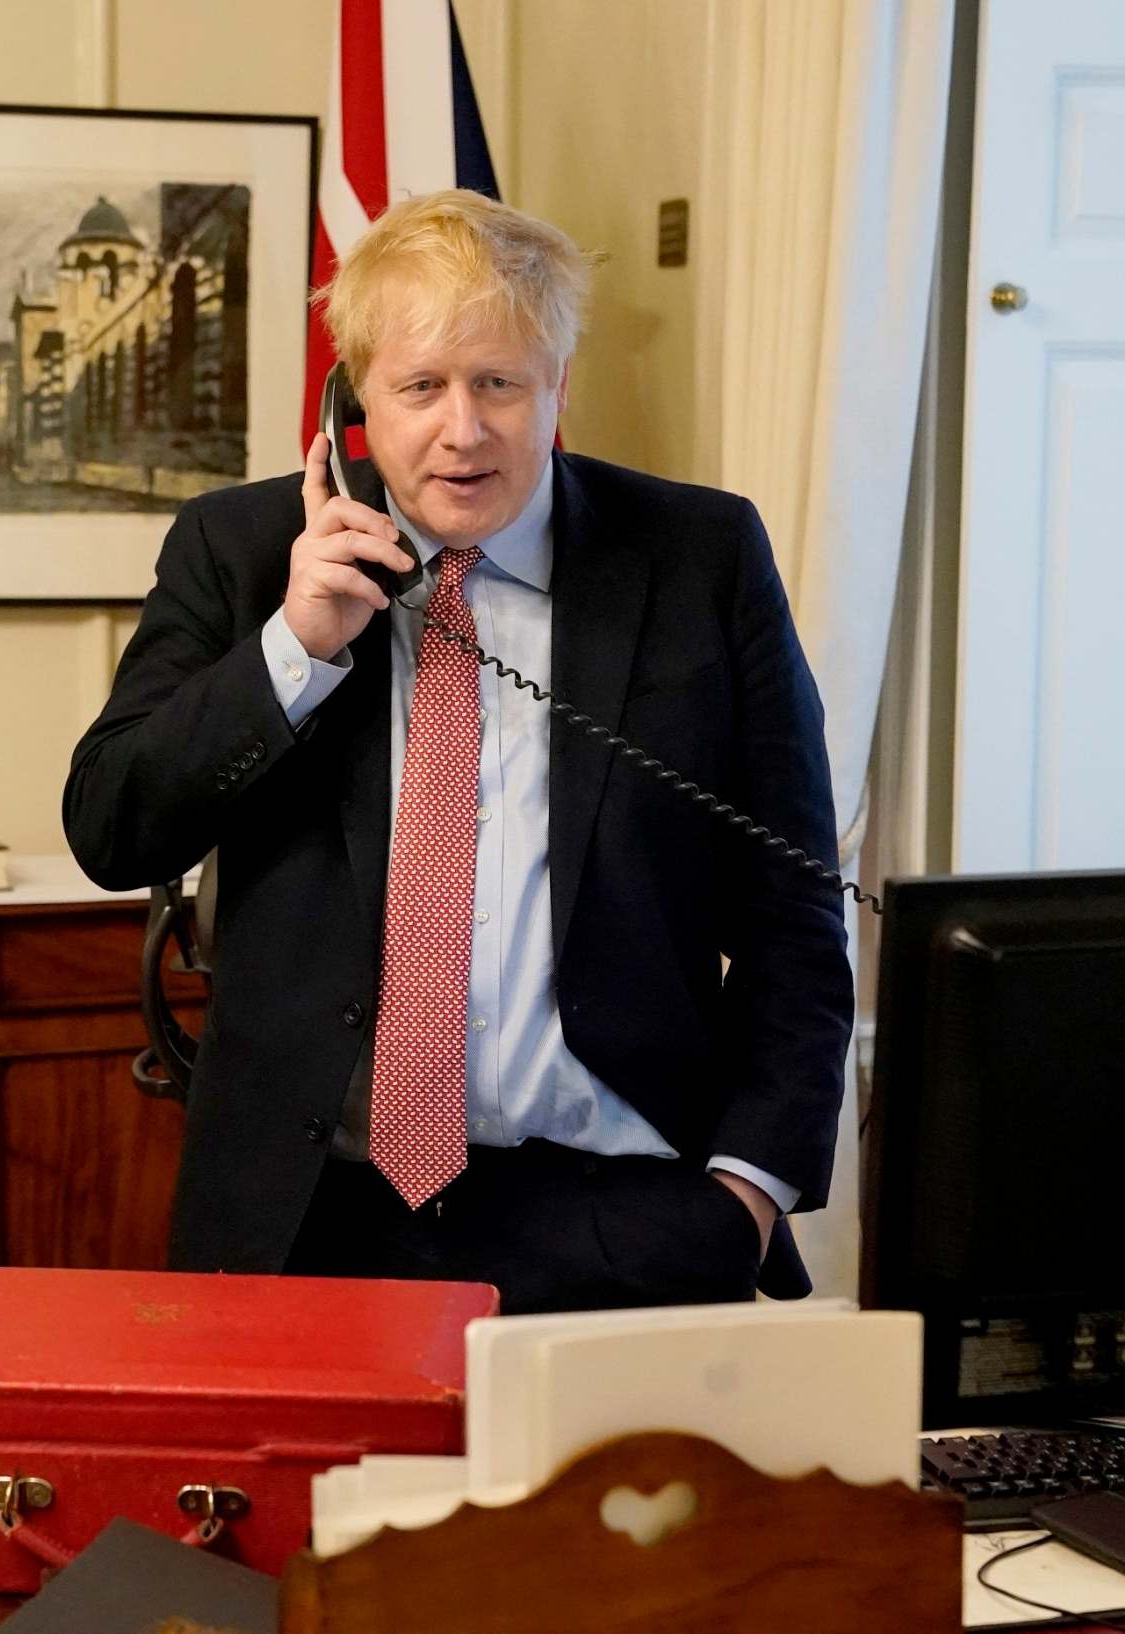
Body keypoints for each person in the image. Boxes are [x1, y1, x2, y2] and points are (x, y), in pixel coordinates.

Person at [62, 190, 852, 1313]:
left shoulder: (697, 557)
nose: (463, 430)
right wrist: (295, 648)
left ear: (557, 388)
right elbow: (110, 825)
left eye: (500, 383)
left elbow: (794, 906)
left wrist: (748, 1190)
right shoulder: (237, 554)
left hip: (629, 1213)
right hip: (310, 1212)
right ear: (354, 404)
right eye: (422, 386)